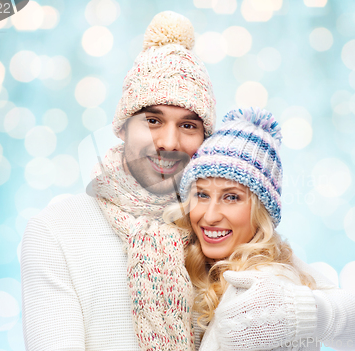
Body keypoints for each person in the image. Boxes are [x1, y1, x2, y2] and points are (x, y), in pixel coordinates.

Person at [21, 11, 216, 351]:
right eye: (153, 120)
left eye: (188, 125)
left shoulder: (221, 228)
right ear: (123, 127)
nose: (169, 142)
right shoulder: (57, 231)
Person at [166, 107, 355, 350]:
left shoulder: (268, 284)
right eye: (201, 195)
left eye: (231, 197)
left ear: (260, 212)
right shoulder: (183, 257)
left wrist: (298, 310)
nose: (210, 216)